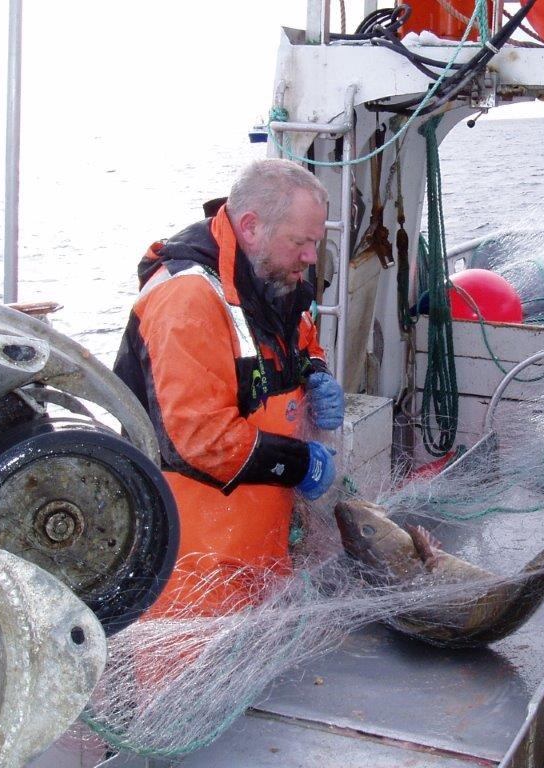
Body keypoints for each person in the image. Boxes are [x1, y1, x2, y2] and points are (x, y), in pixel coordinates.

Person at [114, 158, 345, 618]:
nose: (310, 258)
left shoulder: (271, 274)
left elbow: (299, 334)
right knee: (188, 684)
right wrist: (298, 463)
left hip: (259, 546)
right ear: (251, 226)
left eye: (315, 243)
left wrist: (315, 369)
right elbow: (200, 439)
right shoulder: (188, 299)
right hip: (193, 565)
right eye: (300, 242)